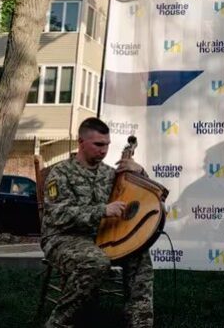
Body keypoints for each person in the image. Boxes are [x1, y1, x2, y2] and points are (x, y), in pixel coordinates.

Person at [41, 117, 152, 328]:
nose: (104, 150)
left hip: (101, 237)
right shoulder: (61, 173)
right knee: (95, 261)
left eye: (107, 145)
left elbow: (147, 192)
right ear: (81, 142)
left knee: (140, 255)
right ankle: (59, 322)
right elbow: (58, 215)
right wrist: (102, 210)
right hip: (63, 238)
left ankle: (140, 322)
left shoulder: (110, 174)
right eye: (98, 145)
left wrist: (138, 171)